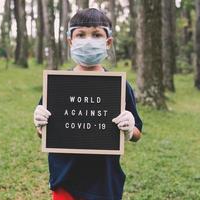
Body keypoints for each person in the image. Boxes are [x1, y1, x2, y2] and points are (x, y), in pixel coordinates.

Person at [33, 8, 143, 200]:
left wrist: (129, 128)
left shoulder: (119, 86)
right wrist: (39, 124)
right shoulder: (57, 84)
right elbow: (43, 132)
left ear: (108, 42)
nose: (88, 40)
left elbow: (137, 134)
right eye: (81, 34)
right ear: (70, 41)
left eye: (97, 34)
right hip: (65, 180)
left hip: (104, 181)